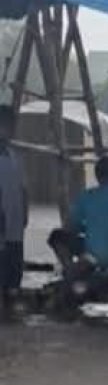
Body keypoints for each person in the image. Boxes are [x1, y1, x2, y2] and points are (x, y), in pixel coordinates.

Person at [0, 105, 27, 304]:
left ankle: (11, 297)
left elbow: (22, 188)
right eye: (7, 125)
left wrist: (25, 212)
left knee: (14, 265)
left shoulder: (13, 155)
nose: (11, 129)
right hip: (2, 220)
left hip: (15, 221)